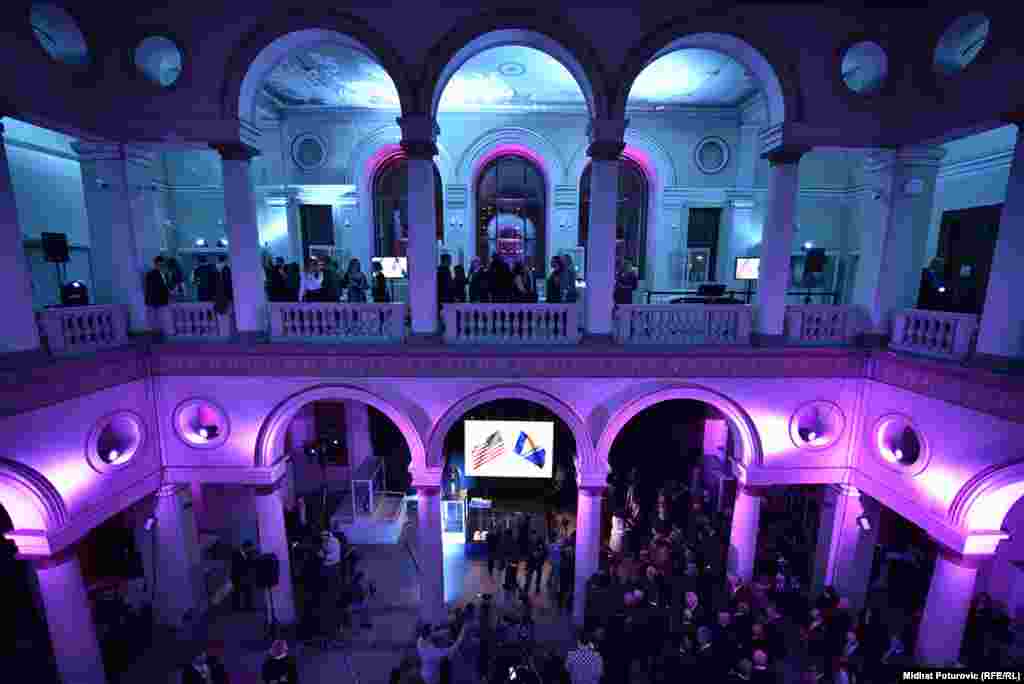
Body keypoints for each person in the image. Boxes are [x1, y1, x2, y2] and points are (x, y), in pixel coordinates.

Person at [231, 540, 255, 611]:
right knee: (237, 592)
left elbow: (250, 564)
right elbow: (235, 566)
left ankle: (248, 607)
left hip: (246, 576)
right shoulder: (236, 553)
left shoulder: (249, 554)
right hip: (237, 576)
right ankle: (236, 607)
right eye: (250, 548)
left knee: (248, 591)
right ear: (245, 547)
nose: (251, 549)